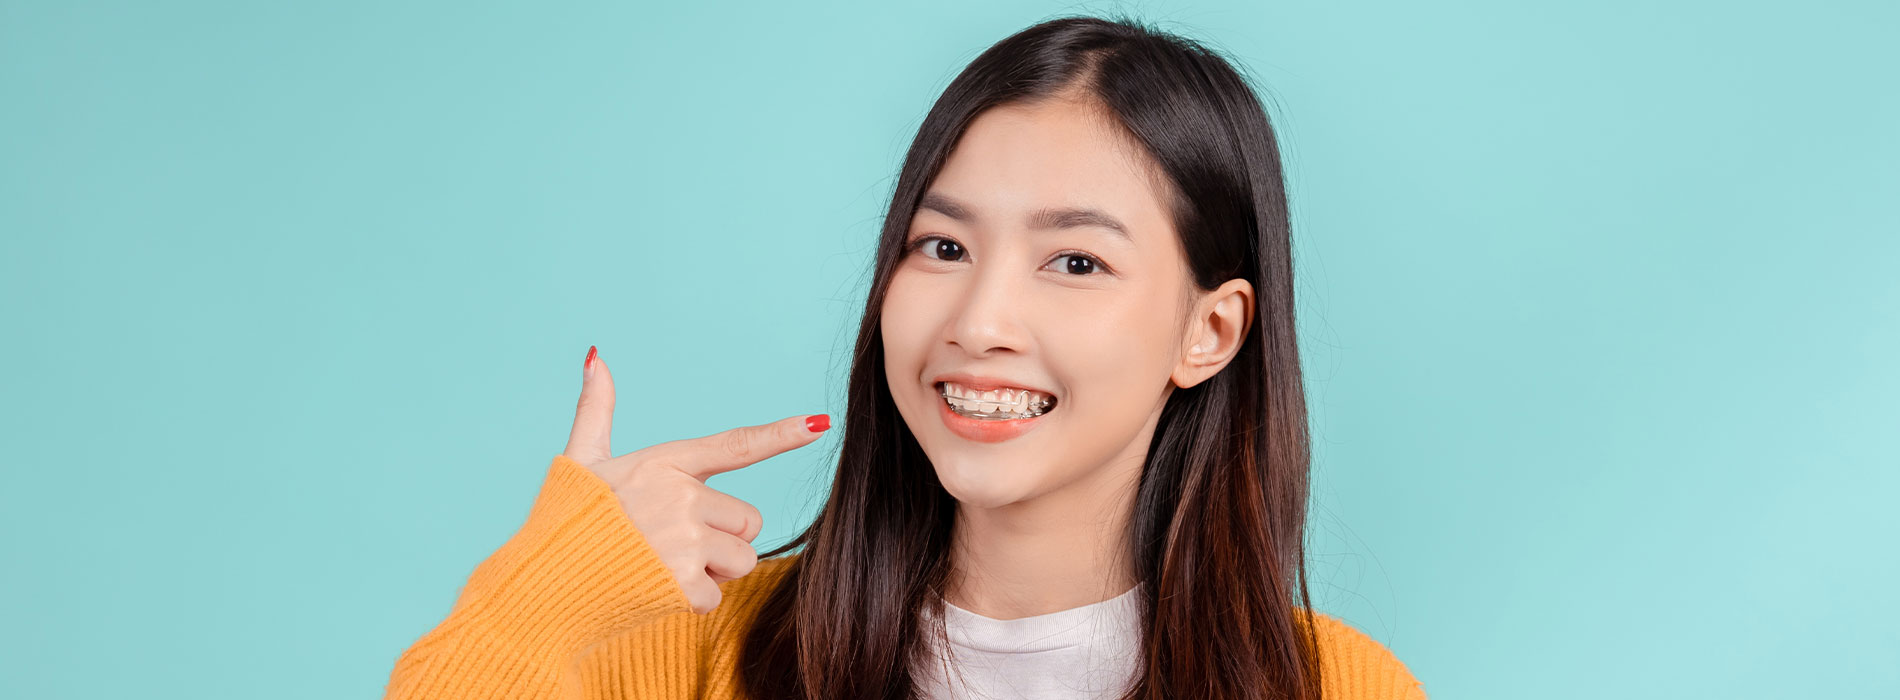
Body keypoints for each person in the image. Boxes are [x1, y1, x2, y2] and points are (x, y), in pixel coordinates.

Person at [384, 14, 1427, 700]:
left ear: (1209, 332)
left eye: (1073, 260)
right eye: (943, 246)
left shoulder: (1336, 684)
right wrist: (541, 594)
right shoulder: (690, 653)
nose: (980, 318)